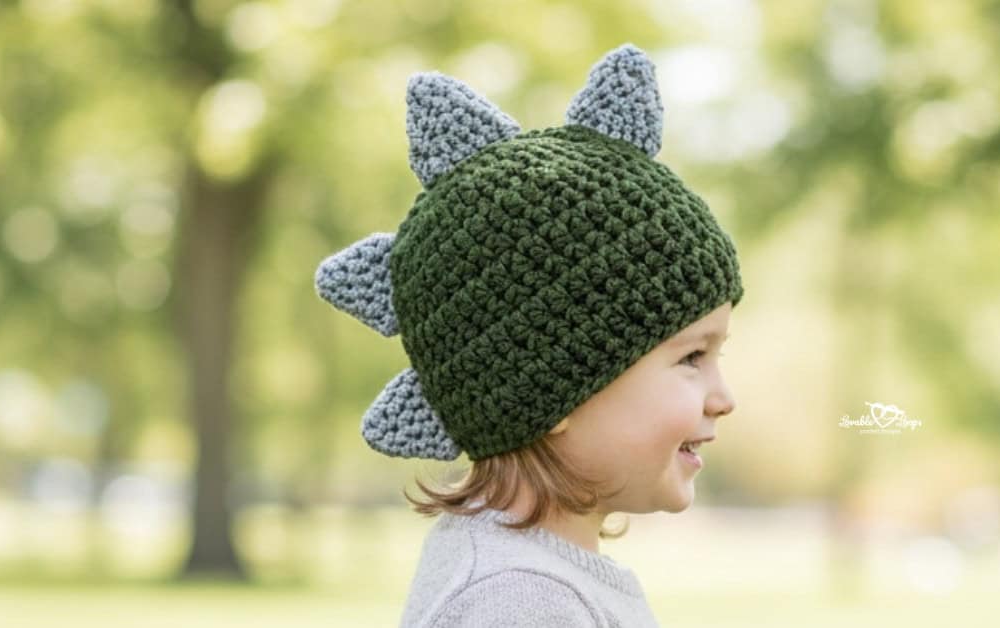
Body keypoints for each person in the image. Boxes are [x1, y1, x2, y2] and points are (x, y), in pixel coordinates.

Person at [315, 42, 744, 628]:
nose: (724, 398)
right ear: (550, 392)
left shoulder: (532, 574)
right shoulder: (521, 601)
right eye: (692, 356)